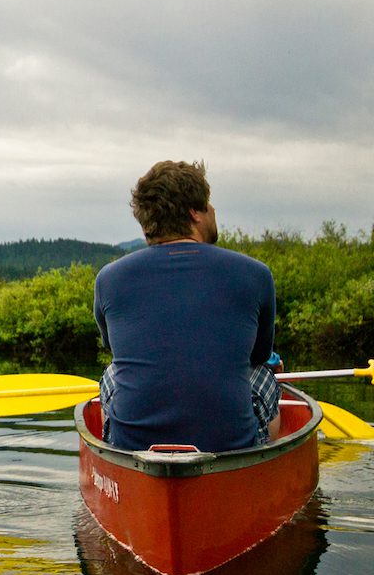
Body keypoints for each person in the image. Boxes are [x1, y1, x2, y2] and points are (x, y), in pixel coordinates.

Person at [93, 160, 280, 452]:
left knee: (111, 373)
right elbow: (259, 356)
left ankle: (121, 457)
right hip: (231, 445)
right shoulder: (257, 274)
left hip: (133, 449)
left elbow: (116, 352)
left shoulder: (108, 279)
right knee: (265, 372)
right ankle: (262, 459)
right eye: (208, 203)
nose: (213, 210)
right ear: (195, 213)